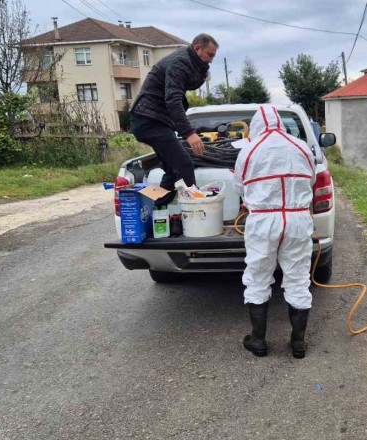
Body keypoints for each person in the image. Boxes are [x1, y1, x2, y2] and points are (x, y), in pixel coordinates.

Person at [234, 105, 316, 359]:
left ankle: (258, 341)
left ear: (256, 126)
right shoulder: (302, 146)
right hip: (297, 218)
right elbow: (311, 179)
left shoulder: (249, 149)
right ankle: (298, 343)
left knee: (258, 275)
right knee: (298, 277)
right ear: (281, 122)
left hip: (262, 221)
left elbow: (240, 186)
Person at [131, 33, 218, 206]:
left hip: (154, 120)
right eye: (210, 55)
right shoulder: (180, 62)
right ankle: (199, 211)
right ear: (198, 48)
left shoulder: (189, 62)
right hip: (149, 120)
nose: (211, 61)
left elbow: (190, 83)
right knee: (184, 163)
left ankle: (153, 205)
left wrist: (202, 70)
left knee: (172, 170)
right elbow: (173, 100)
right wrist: (189, 134)